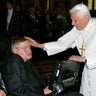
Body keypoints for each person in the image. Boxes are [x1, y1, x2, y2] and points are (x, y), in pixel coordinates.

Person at [25, 3, 96, 96]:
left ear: (86, 18)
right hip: (88, 72)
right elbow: (62, 44)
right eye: (71, 20)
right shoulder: (78, 28)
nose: (72, 23)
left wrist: (85, 59)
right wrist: (40, 45)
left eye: (75, 20)